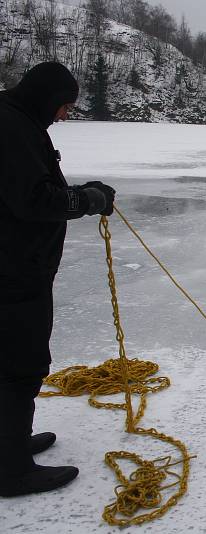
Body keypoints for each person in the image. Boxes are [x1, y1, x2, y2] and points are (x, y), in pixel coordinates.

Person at [0, 62, 116, 497]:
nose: (64, 115)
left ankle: (7, 444)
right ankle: (11, 470)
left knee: (12, 364)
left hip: (17, 268)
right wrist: (87, 199)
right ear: (47, 98)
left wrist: (83, 191)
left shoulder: (17, 121)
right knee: (19, 368)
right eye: (64, 106)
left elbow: (31, 186)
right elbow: (32, 200)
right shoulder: (11, 127)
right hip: (13, 273)